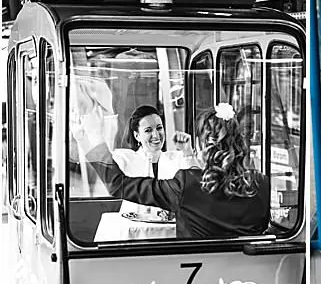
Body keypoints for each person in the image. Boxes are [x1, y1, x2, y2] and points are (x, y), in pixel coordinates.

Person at [75, 102, 271, 239]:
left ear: (201, 146)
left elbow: (118, 185)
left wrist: (94, 137)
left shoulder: (186, 184)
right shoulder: (261, 183)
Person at [110, 104, 196, 218]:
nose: (156, 135)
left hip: (169, 231)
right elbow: (104, 165)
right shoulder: (125, 158)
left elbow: (195, 187)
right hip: (134, 230)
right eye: (148, 130)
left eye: (159, 128)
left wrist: (188, 151)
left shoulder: (178, 158)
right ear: (137, 136)